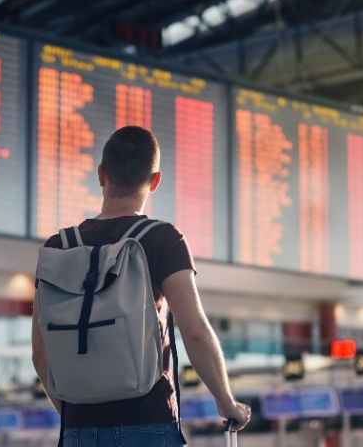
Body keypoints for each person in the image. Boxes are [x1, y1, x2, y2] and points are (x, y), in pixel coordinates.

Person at [32, 126, 250, 446]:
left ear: (101, 174)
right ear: (155, 181)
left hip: (78, 427)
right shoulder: (162, 239)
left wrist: (73, 415)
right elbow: (195, 332)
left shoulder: (58, 247)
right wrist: (226, 403)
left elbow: (40, 354)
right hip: (149, 421)